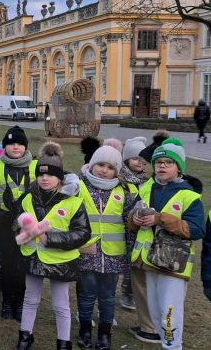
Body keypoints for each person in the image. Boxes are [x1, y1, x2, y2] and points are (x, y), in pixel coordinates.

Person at [129, 138, 205, 350]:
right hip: (148, 261)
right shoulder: (146, 189)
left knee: (169, 314)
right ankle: (167, 345)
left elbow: (196, 230)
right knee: (155, 312)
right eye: (158, 162)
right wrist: (134, 220)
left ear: (178, 167)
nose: (162, 166)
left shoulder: (189, 196)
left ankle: (173, 347)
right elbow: (131, 220)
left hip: (173, 265)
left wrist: (159, 219)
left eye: (168, 162)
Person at [15, 142, 91, 350]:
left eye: (50, 175)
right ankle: (24, 338)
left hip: (62, 260)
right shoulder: (29, 197)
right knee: (30, 299)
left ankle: (63, 343)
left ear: (60, 177)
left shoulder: (73, 202)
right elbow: (16, 222)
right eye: (41, 175)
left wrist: (50, 239)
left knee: (61, 305)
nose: (45, 179)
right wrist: (23, 232)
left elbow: (83, 233)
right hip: (33, 256)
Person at [76, 145, 139, 350]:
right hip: (87, 252)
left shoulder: (125, 191)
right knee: (86, 294)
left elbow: (130, 225)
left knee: (108, 296)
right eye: (100, 165)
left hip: (113, 254)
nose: (104, 170)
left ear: (117, 171)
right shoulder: (79, 186)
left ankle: (104, 334)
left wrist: (130, 252)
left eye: (110, 167)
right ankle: (85, 330)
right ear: (92, 165)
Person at [0, 125, 38, 320]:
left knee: (23, 264)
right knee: (7, 264)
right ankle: (7, 302)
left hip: (28, 224)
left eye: (19, 144)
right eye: (10, 144)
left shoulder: (36, 165)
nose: (15, 147)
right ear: (4, 146)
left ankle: (20, 303)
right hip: (4, 223)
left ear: (25, 146)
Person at [118, 137, 149, 313]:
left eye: (142, 159)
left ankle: (129, 292)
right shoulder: (120, 180)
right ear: (126, 159)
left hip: (139, 230)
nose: (139, 162)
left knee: (135, 265)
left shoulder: (146, 181)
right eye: (135, 158)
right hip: (121, 229)